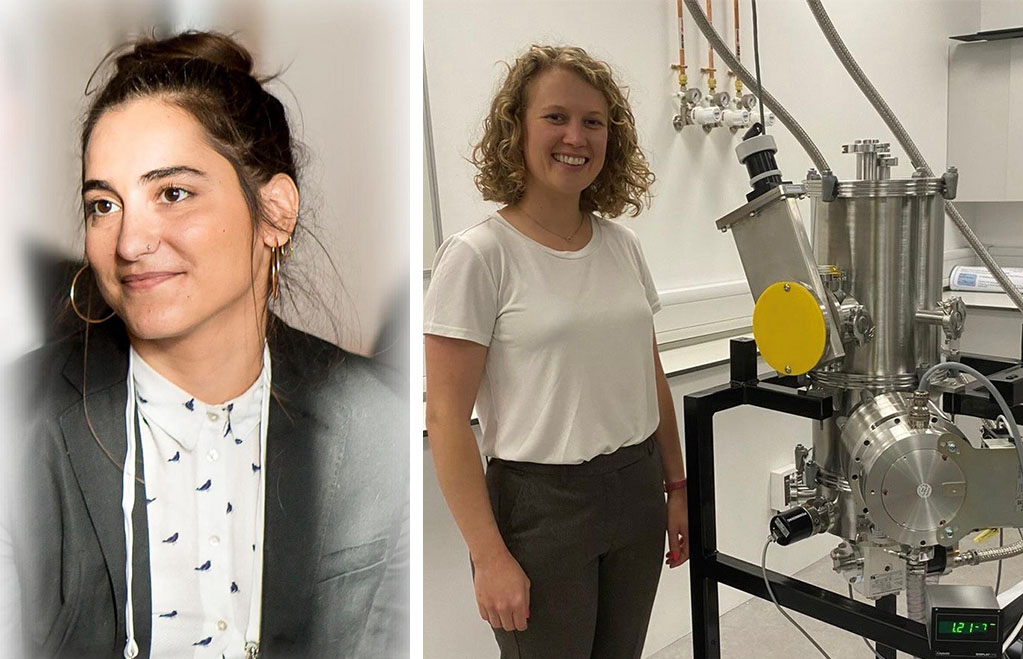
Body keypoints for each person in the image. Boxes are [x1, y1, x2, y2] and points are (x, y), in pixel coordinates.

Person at [10, 31, 407, 658]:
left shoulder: (379, 427)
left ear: (274, 212)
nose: (129, 242)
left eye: (172, 193)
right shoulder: (18, 425)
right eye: (103, 204)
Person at [424, 44, 689, 658]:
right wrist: (489, 557)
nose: (576, 136)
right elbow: (446, 420)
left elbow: (648, 376)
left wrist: (675, 485)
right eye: (556, 117)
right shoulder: (477, 256)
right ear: (515, 129)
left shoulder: (622, 247)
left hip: (635, 490)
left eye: (593, 122)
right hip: (540, 509)